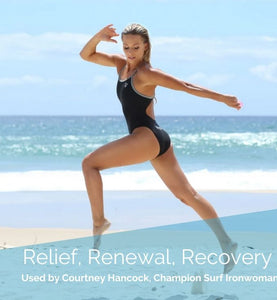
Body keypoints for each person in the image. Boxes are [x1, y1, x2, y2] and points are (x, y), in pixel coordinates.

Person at [80, 23, 241, 273]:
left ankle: (99, 222)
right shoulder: (120, 66)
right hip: (156, 139)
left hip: (146, 137)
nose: (130, 52)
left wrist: (224, 99)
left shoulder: (147, 73)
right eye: (126, 47)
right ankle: (227, 243)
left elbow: (187, 86)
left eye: (136, 47)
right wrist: (98, 37)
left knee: (89, 163)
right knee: (188, 195)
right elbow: (86, 55)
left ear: (146, 46)